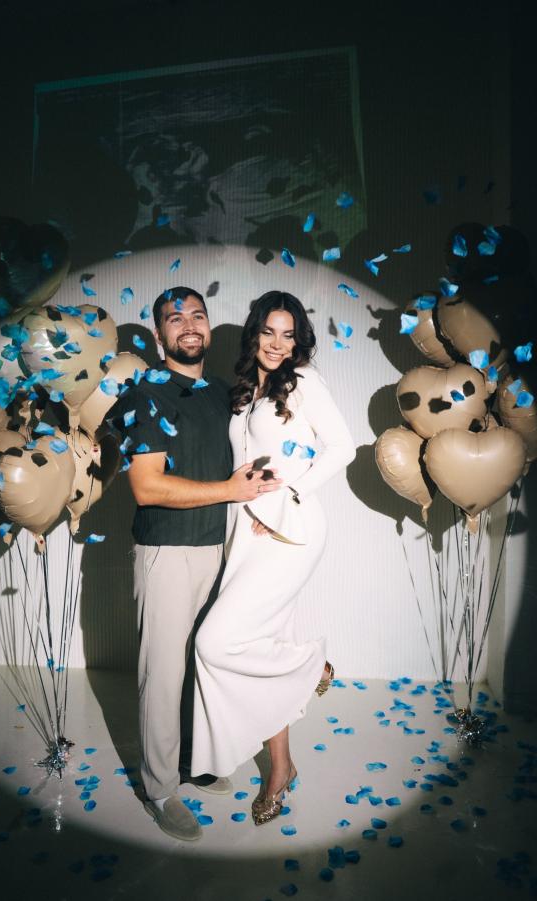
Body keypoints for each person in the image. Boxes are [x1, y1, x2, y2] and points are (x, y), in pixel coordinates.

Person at [112, 286, 282, 842]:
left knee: (206, 664)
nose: (188, 324)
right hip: (167, 550)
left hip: (219, 549)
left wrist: (260, 509)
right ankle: (160, 788)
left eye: (197, 315)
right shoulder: (145, 395)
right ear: (158, 333)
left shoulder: (223, 395)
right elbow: (146, 486)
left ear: (208, 327)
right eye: (174, 317)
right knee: (163, 675)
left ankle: (196, 760)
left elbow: (240, 471)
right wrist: (229, 491)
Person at [191, 290, 355, 824]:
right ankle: (280, 767)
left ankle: (310, 667)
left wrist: (290, 496)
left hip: (289, 532)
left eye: (288, 334)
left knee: (215, 642)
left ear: (298, 340)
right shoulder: (245, 391)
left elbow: (343, 447)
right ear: (254, 334)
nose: (278, 344)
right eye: (268, 332)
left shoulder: (303, 381)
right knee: (261, 643)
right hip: (246, 530)